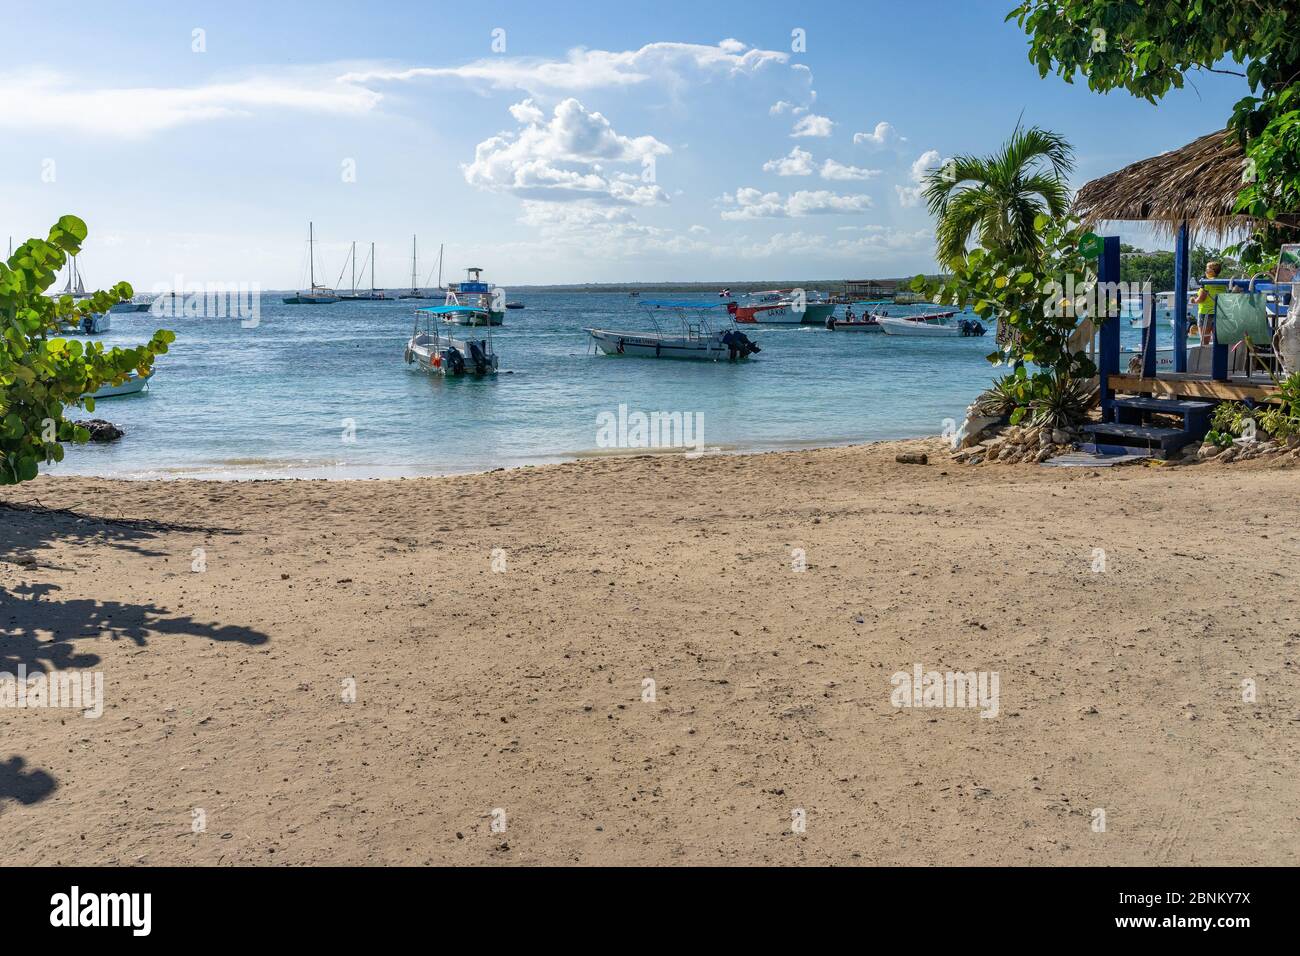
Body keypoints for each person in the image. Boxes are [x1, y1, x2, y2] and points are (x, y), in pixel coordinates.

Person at [1194, 261, 1223, 345]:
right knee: (1217, 341)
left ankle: (1205, 358)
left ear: (1212, 271)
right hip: (1218, 313)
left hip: (1205, 313)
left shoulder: (1206, 283)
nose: (1205, 270)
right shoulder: (1222, 283)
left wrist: (1194, 300)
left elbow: (1201, 298)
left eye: (1207, 268)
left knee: (1204, 342)